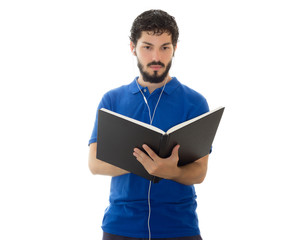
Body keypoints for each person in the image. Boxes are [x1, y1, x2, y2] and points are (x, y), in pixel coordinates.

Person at [88, 9, 210, 240]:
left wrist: (171, 171)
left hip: (179, 228)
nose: (156, 57)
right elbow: (95, 164)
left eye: (165, 47)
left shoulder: (195, 102)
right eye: (147, 47)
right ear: (133, 47)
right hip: (121, 227)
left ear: (175, 47)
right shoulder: (111, 100)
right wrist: (144, 163)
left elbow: (200, 171)